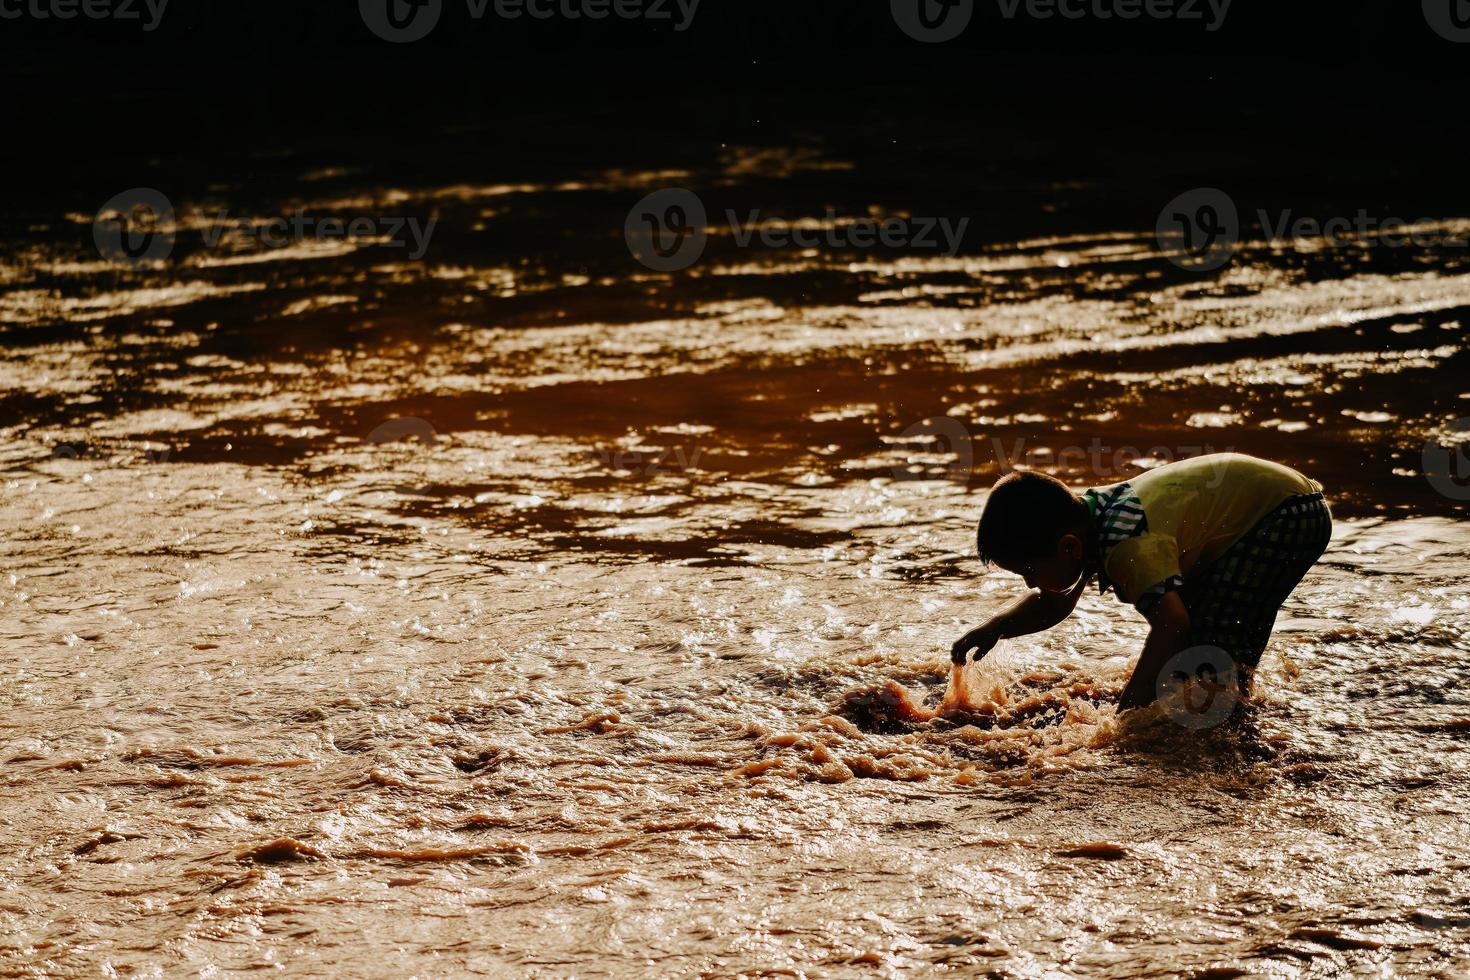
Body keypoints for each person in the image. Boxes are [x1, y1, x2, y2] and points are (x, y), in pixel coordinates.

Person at [951, 453, 1331, 712]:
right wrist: (998, 627)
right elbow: (1055, 603)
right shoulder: (1091, 519)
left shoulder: (1126, 542)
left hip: (1288, 515)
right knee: (1202, 639)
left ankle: (1231, 720)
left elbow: (1171, 623)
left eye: (1028, 572)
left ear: (1068, 548)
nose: (1030, 583)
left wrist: (1130, 707)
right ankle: (1226, 706)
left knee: (1215, 644)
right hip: (1273, 507)